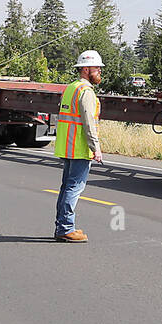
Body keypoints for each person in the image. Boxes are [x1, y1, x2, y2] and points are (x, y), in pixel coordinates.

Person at [53, 50, 104, 243]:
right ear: (85, 69)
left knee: (66, 187)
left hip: (67, 146)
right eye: (96, 67)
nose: (99, 71)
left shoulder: (71, 88)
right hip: (80, 147)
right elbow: (88, 122)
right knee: (74, 188)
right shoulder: (86, 92)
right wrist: (95, 147)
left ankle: (62, 227)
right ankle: (66, 228)